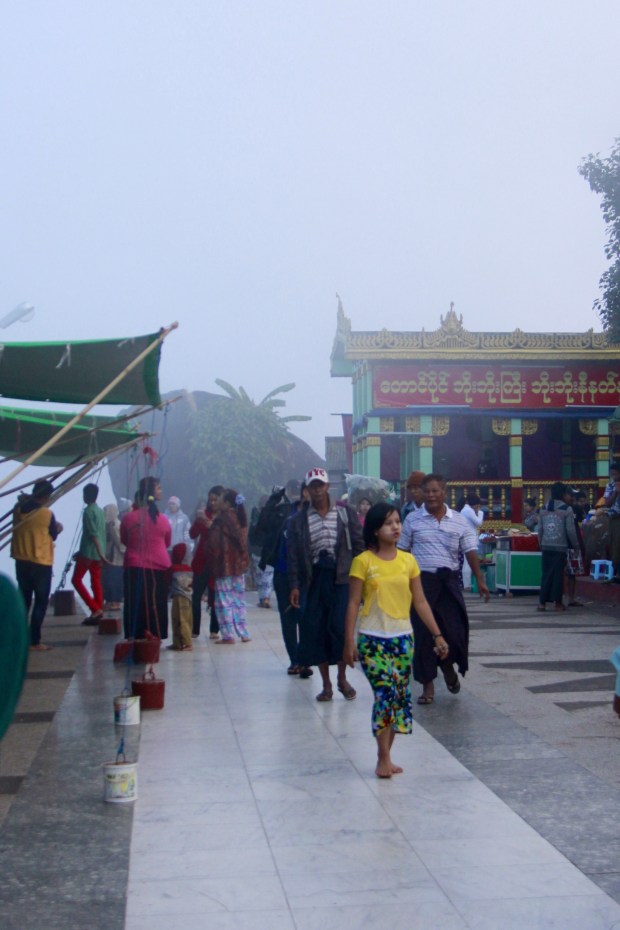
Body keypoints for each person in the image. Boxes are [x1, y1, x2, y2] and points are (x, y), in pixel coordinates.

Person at [343, 503, 449, 778]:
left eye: (398, 522)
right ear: (375, 530)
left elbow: (420, 601)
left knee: (399, 697)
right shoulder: (363, 561)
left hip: (403, 639)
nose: (395, 527)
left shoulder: (408, 561)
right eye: (388, 523)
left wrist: (437, 634)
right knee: (385, 693)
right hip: (372, 639)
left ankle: (387, 755)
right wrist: (348, 642)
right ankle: (383, 757)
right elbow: (353, 603)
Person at [398, 473, 490, 704]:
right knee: (423, 635)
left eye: (435, 491)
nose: (430, 495)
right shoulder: (412, 520)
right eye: (427, 491)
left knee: (453, 633)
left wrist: (480, 579)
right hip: (421, 585)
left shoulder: (458, 520)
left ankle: (448, 668)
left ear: (444, 493)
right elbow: (402, 553)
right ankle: (427, 686)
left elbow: (470, 551)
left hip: (449, 584)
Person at [288, 467, 364, 701]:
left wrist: (362, 581)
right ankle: (326, 684)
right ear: (307, 490)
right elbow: (293, 555)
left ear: (327, 486)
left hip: (341, 579)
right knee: (316, 630)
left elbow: (359, 546)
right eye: (313, 486)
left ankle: (342, 678)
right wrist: (294, 585)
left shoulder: (345, 513)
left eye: (320, 485)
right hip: (314, 580)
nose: (317, 490)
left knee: (340, 629)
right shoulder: (299, 520)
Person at [255, 479, 310, 674]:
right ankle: (295, 660)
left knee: (305, 617)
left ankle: (304, 659)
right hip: (282, 571)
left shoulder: (316, 516)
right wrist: (273, 500)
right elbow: (262, 524)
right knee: (288, 619)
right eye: (309, 489)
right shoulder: (284, 511)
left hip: (306, 576)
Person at [11, 479, 63, 651]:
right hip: (40, 562)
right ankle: (35, 641)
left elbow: (26, 506)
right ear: (46, 496)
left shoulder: (17, 510)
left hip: (21, 561)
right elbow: (53, 534)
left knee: (24, 601)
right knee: (40, 602)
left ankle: (19, 638)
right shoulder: (46, 514)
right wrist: (58, 527)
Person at [120, 476, 171, 639]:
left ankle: (135, 634)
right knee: (157, 602)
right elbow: (167, 542)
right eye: (159, 488)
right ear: (151, 492)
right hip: (160, 567)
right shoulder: (163, 519)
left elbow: (125, 539)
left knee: (134, 601)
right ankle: (156, 634)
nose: (161, 491)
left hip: (134, 565)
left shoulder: (129, 518)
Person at [205, 488, 251, 643]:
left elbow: (213, 544)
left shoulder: (221, 520)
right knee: (238, 600)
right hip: (239, 567)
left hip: (224, 566)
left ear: (226, 503)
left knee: (224, 601)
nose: (216, 502)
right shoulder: (241, 517)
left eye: (220, 499)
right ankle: (243, 633)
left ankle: (228, 635)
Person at [537, 481, 579, 612]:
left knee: (546, 575)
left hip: (546, 545)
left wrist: (540, 543)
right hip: (560, 546)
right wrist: (576, 546)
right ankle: (558, 604)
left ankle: (542, 603)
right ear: (563, 494)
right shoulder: (566, 509)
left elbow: (540, 529)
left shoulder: (544, 508)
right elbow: (570, 530)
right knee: (558, 576)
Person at [189, 488, 224, 638]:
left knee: (216, 596)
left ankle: (214, 630)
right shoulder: (204, 514)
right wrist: (198, 521)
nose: (212, 502)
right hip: (202, 560)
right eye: (211, 499)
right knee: (196, 595)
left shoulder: (225, 517)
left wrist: (213, 526)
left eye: (216, 499)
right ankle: (194, 629)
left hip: (218, 562)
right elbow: (192, 534)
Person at [72, 483, 107, 624]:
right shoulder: (100, 511)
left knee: (76, 580)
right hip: (98, 553)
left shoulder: (87, 512)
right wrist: (101, 553)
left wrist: (95, 551)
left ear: (86, 495)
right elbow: (100, 533)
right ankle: (99, 609)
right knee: (96, 581)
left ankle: (94, 608)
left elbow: (93, 534)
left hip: (88, 552)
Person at [248, 495, 274, 608]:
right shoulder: (269, 516)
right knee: (265, 575)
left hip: (260, 550)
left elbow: (251, 534)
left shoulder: (257, 516)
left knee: (263, 575)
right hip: (263, 549)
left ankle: (265, 598)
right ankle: (264, 598)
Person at [167, 542, 193, 651]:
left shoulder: (173, 568)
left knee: (177, 620)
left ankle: (184, 643)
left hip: (178, 597)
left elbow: (167, 579)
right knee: (185, 620)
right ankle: (181, 643)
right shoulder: (190, 569)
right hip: (187, 598)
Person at [102, 503, 124, 609]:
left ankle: (115, 601)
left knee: (114, 580)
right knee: (108, 579)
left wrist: (124, 552)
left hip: (116, 557)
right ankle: (110, 600)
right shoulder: (109, 524)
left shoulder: (114, 525)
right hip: (110, 557)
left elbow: (119, 541)